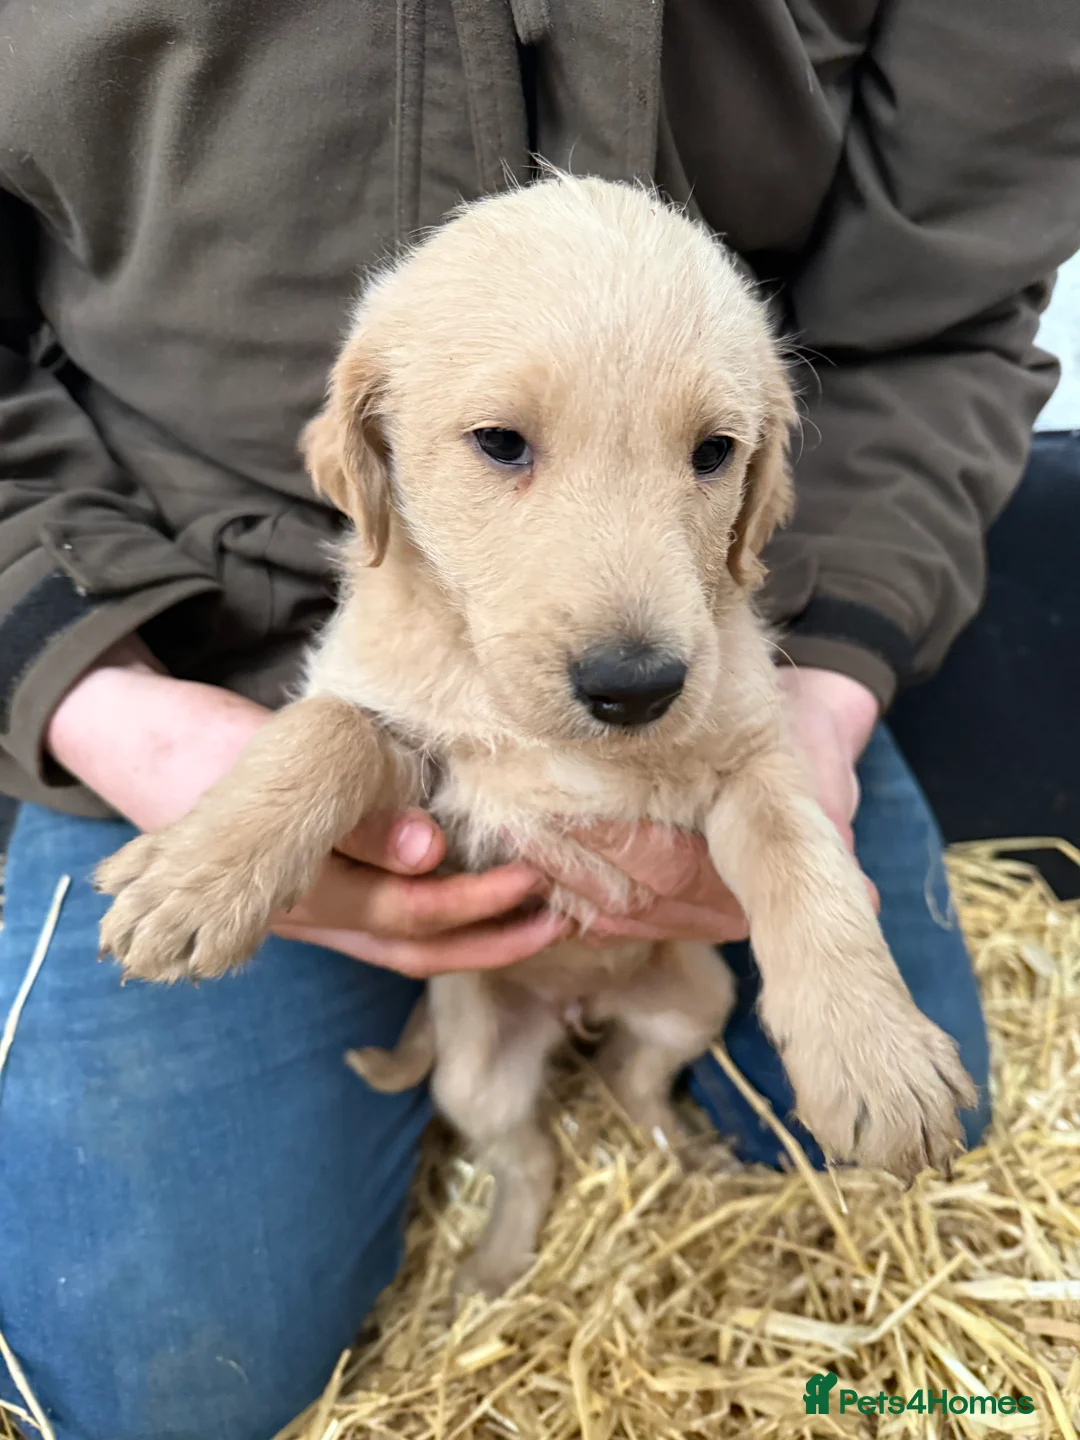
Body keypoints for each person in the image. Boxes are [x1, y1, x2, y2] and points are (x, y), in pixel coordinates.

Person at [0, 4, 1077, 1437]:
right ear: (362, 453)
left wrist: (822, 713)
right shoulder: (380, 523)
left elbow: (943, 311)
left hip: (774, 670)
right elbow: (359, 727)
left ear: (758, 486)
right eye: (503, 445)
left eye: (714, 453)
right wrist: (107, 702)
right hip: (173, 630)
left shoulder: (705, 588)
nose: (621, 631)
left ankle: (643, 1098)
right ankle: (513, 1170)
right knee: (159, 1394)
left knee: (927, 1166)